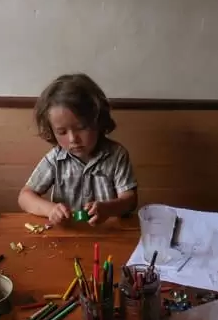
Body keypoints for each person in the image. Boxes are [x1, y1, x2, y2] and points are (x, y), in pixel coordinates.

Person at [18, 73, 138, 226]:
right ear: (51, 131)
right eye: (62, 132)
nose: (73, 139)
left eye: (81, 128)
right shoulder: (56, 158)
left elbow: (130, 201)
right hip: (68, 235)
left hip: (109, 233)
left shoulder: (116, 155)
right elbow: (25, 196)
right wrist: (50, 210)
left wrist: (108, 209)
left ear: (98, 121)